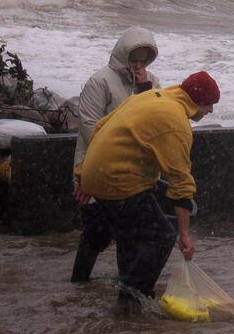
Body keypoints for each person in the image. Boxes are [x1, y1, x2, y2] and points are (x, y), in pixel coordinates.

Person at [79, 71, 219, 308]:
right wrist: (184, 234)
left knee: (129, 236)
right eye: (210, 106)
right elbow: (180, 182)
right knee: (161, 235)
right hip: (118, 181)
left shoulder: (150, 97)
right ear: (199, 102)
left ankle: (126, 295)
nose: (211, 112)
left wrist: (83, 176)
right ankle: (133, 298)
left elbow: (100, 127)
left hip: (97, 175)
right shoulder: (175, 121)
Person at [69, 28, 161, 281]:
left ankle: (127, 284)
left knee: (128, 232)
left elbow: (155, 119)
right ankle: (80, 280)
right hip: (95, 166)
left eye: (144, 61)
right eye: (134, 60)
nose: (138, 66)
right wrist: (84, 176)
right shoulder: (100, 81)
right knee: (95, 232)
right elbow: (90, 128)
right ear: (122, 55)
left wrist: (145, 91)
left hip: (131, 173)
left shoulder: (151, 82)